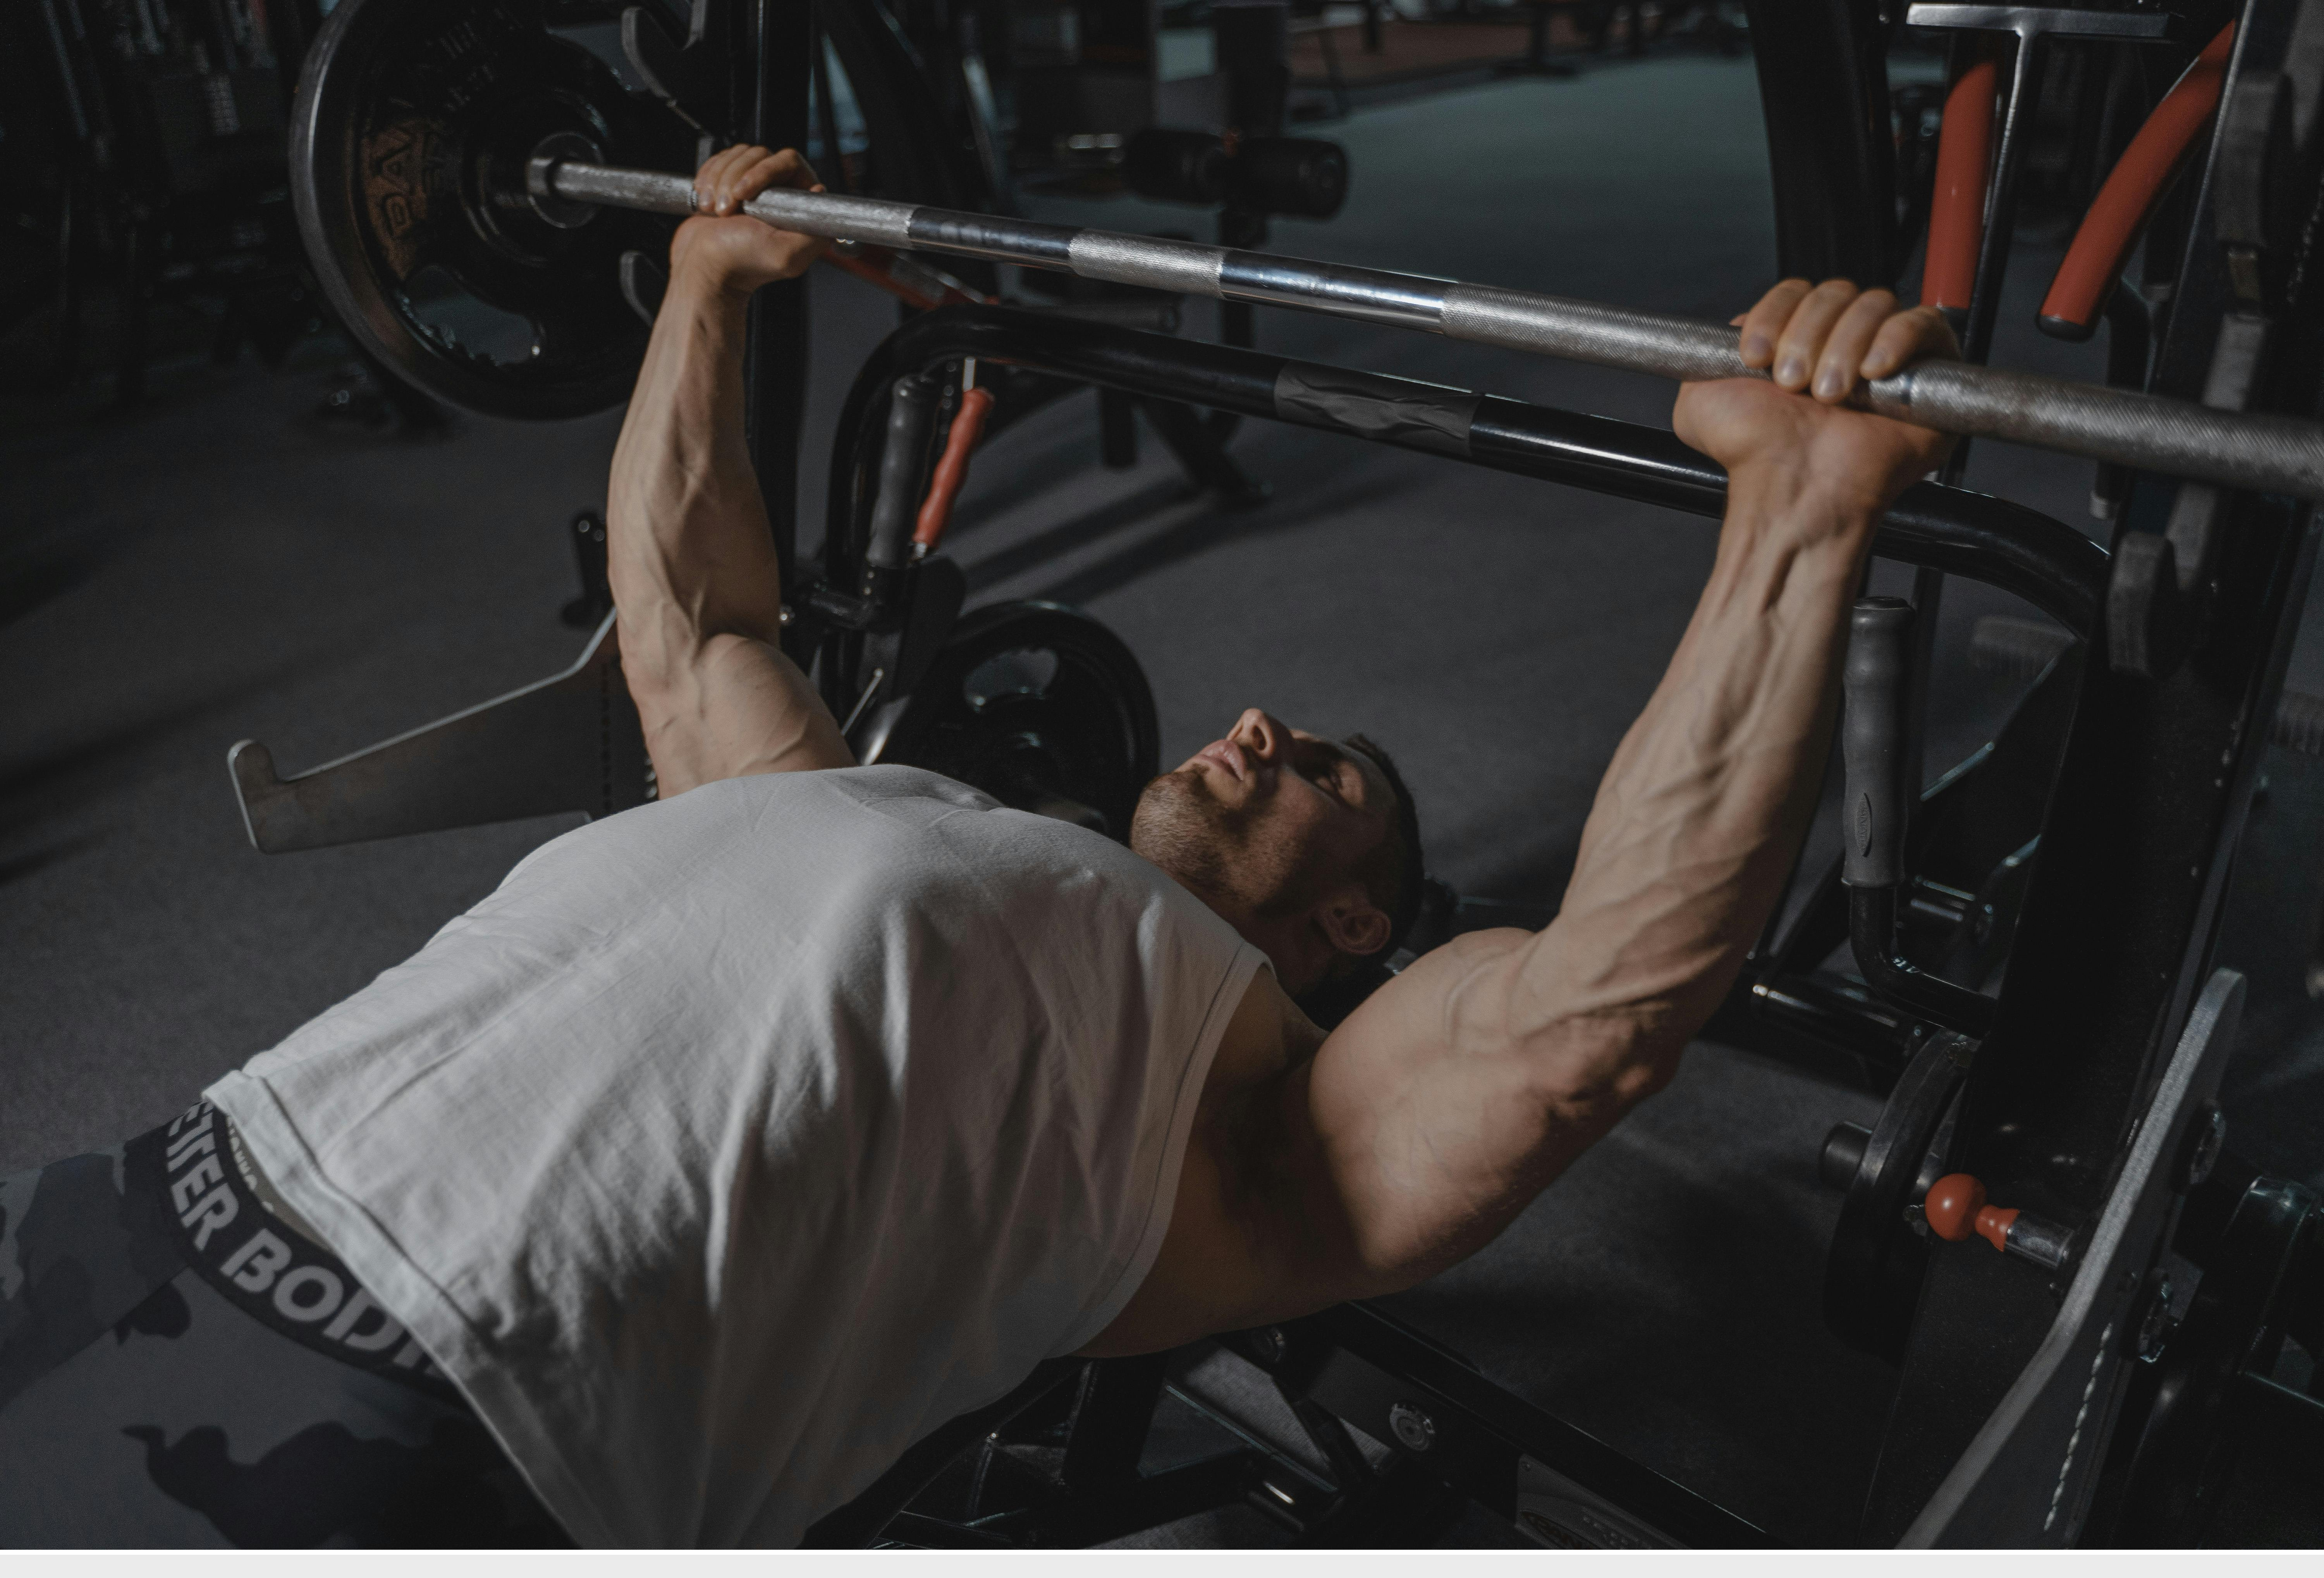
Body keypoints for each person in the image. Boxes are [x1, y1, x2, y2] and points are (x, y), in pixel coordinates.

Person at [0, 144, 1958, 1547]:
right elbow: (689, 626)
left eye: (1329, 769)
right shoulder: (837, 798)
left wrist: (1797, 514)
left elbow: (1592, 1019)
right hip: (158, 1184)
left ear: (1354, 923)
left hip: (441, 1418)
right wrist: (702, 285)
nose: (1262, 724)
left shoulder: (1246, 1126)